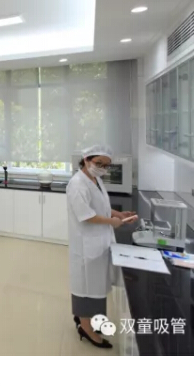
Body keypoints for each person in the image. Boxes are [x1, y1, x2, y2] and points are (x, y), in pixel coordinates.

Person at [66, 145, 138, 349]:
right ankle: (85, 327)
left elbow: (101, 206)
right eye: (99, 163)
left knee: (95, 285)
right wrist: (111, 222)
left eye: (106, 165)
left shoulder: (94, 180)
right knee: (86, 286)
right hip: (86, 244)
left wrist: (118, 214)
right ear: (86, 160)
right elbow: (86, 215)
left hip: (98, 241)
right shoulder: (77, 184)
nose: (102, 168)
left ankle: (87, 319)